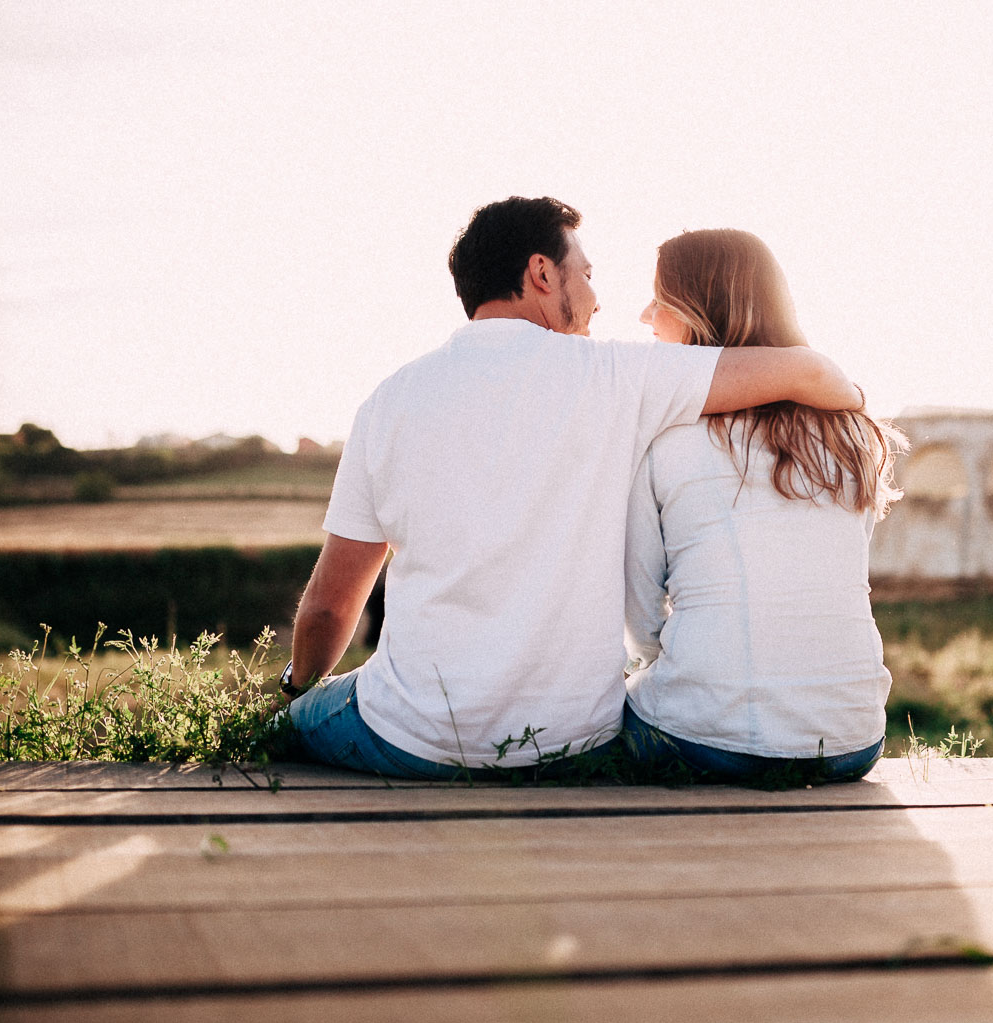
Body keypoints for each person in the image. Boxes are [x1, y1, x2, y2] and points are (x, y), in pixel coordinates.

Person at [280, 197, 863, 780]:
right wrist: (858, 416)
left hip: (413, 737)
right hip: (570, 740)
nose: (596, 297)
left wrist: (296, 685)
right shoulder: (617, 377)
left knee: (300, 716)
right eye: (585, 274)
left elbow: (330, 607)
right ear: (541, 273)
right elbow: (809, 371)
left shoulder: (387, 402)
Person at [621, 229, 906, 785]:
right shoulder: (856, 435)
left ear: (699, 309)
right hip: (852, 741)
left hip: (704, 740)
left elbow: (639, 609)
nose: (644, 315)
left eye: (659, 297)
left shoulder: (664, 434)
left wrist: (681, 669)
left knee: (594, 720)